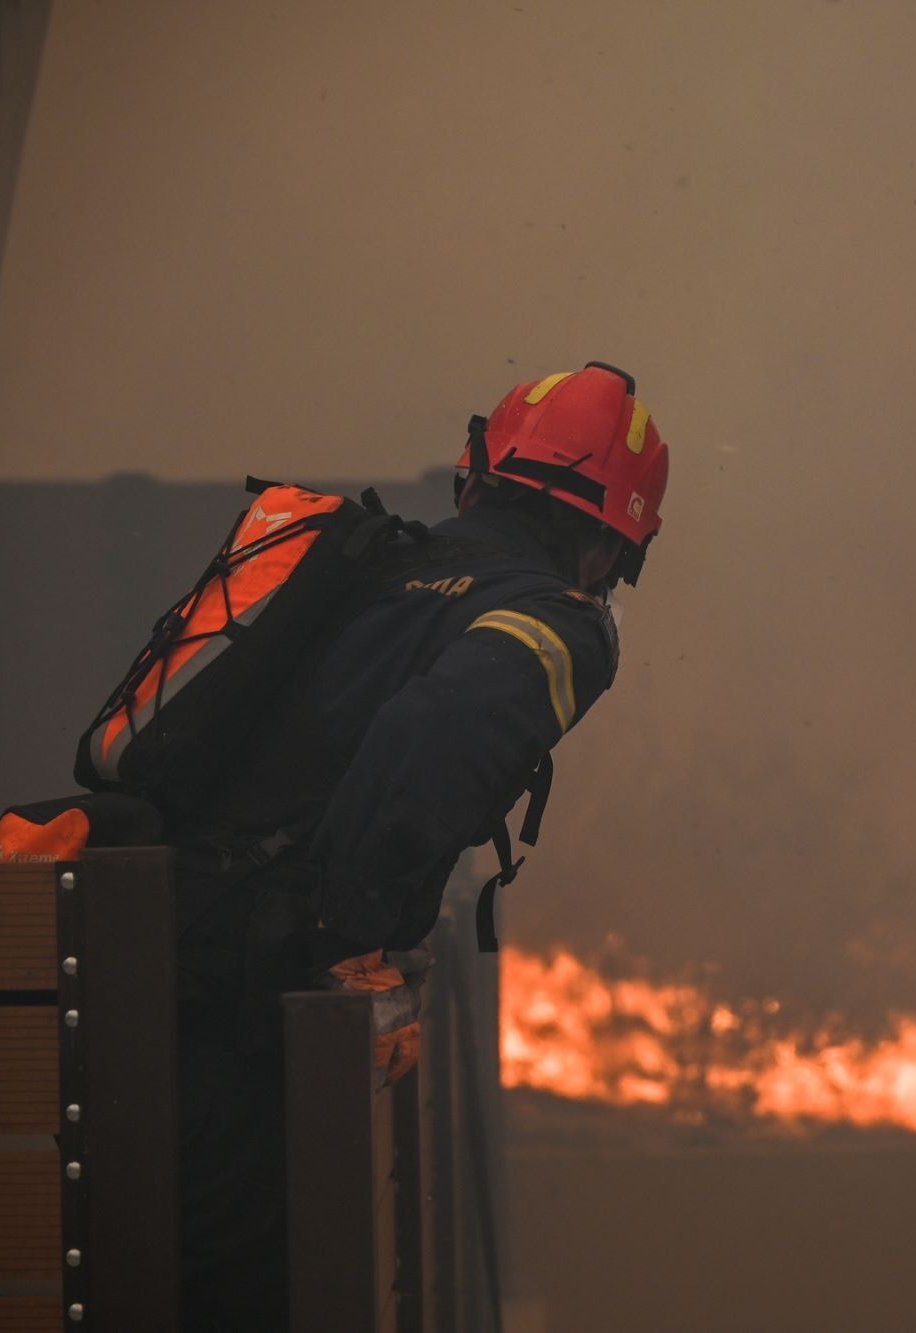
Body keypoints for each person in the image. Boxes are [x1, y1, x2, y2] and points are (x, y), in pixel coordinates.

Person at [171, 361, 670, 1331]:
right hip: (250, 1007)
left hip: (164, 959)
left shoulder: (373, 567)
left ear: (473, 477)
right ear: (611, 547)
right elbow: (424, 746)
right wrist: (353, 944)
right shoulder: (558, 623)